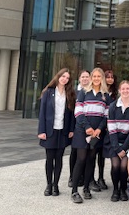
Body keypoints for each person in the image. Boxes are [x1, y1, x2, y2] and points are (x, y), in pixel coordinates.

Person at [70, 68, 110, 203]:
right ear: (91, 77)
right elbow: (78, 112)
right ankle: (74, 191)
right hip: (82, 131)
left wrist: (99, 129)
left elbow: (106, 115)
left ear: (102, 78)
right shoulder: (83, 92)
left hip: (97, 133)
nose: (96, 78)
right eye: (94, 76)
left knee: (91, 160)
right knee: (81, 159)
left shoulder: (105, 95)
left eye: (99, 76)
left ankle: (86, 188)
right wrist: (87, 127)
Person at [37, 68, 76, 197]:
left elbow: (72, 114)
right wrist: (41, 130)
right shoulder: (48, 92)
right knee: (49, 159)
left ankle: (55, 185)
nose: (65, 79)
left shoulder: (70, 94)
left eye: (67, 78)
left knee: (59, 159)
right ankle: (48, 185)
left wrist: (71, 129)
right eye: (63, 76)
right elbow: (42, 113)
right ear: (58, 77)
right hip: (50, 130)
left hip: (62, 130)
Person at [107, 80, 129, 202]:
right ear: (119, 90)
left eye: (127, 88)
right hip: (115, 142)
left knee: (124, 167)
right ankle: (115, 190)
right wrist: (117, 148)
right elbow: (111, 129)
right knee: (115, 165)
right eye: (123, 89)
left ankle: (123, 189)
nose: (125, 91)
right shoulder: (113, 106)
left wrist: (124, 148)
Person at [94, 69, 117, 191]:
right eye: (107, 77)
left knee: (102, 155)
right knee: (94, 153)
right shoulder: (100, 92)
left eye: (112, 77)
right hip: (99, 126)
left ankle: (101, 178)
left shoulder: (115, 93)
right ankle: (93, 178)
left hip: (110, 128)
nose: (110, 79)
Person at [69, 69, 90, 187]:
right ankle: (72, 177)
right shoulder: (74, 92)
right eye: (83, 77)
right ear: (79, 78)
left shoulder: (91, 91)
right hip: (76, 126)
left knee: (86, 154)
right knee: (74, 153)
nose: (85, 79)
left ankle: (83, 177)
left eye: (87, 77)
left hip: (87, 127)